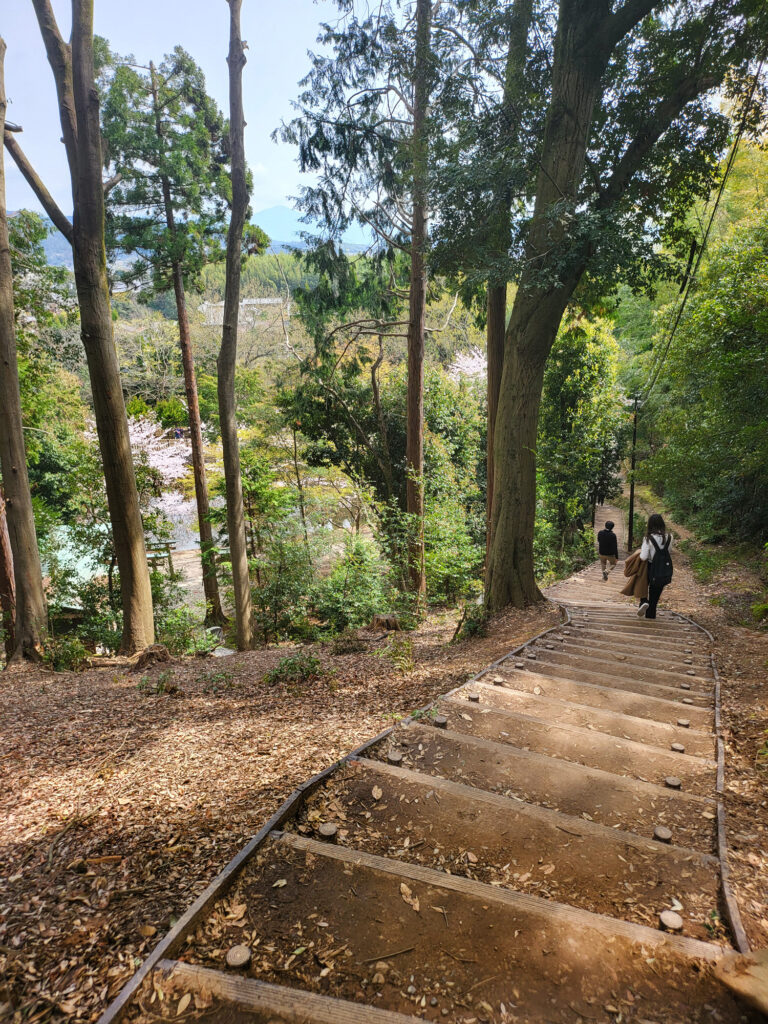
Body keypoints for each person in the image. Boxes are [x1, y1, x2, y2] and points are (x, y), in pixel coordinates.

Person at [637, 513, 673, 619]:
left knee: (641, 582)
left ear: (650, 525)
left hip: (650, 567)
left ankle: (643, 601)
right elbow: (668, 552)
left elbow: (643, 557)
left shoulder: (648, 538)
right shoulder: (670, 537)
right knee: (655, 593)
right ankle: (651, 615)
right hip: (664, 568)